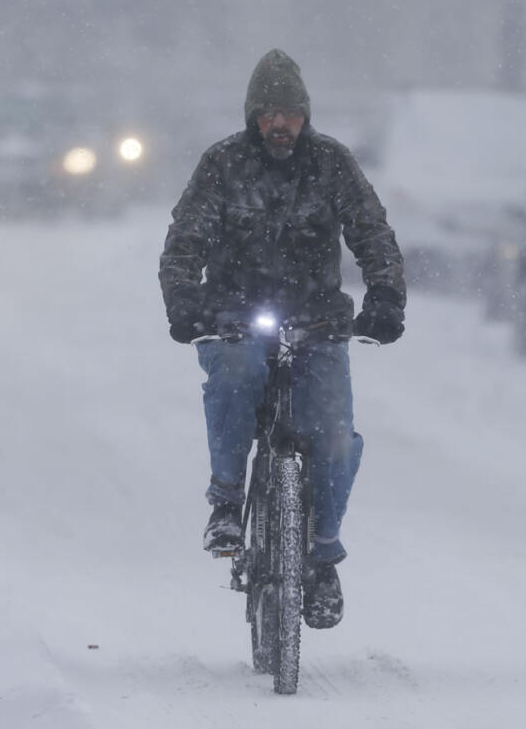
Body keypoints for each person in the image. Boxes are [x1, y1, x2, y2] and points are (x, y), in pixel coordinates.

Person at [159, 48, 405, 629]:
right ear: (252, 115)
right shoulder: (222, 165)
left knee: (337, 438)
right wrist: (184, 302)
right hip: (235, 319)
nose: (280, 123)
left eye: (291, 112)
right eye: (270, 111)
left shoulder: (332, 164)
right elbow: (185, 240)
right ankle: (226, 499)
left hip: (318, 322)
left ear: (306, 116)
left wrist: (386, 297)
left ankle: (322, 556)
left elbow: (373, 232)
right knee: (235, 375)